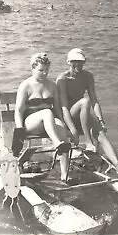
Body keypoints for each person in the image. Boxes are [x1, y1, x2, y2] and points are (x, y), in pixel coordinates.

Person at [56, 48, 118, 175]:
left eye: (81, 62)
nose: (78, 65)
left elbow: (95, 100)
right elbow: (63, 107)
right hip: (68, 117)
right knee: (85, 101)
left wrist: (100, 120)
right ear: (68, 62)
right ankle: (88, 142)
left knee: (101, 133)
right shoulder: (62, 79)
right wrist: (73, 130)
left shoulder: (88, 76)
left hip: (82, 114)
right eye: (75, 62)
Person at [15, 53, 71, 182]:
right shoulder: (25, 85)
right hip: (31, 122)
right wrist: (19, 129)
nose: (44, 73)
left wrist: (63, 125)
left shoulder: (52, 86)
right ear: (32, 68)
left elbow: (57, 108)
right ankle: (57, 143)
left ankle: (64, 174)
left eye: (47, 70)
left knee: (62, 131)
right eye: (41, 70)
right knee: (46, 112)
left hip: (49, 122)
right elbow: (18, 110)